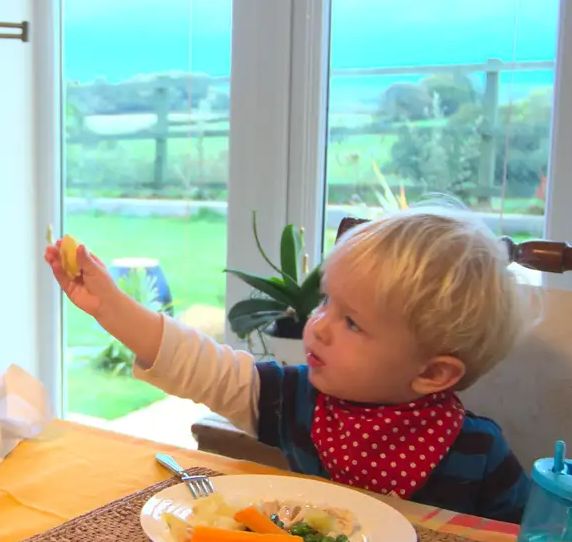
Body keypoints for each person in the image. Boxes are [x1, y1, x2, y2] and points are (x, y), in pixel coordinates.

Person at [45, 207, 533, 521]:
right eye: (326, 303)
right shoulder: (292, 399)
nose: (317, 327)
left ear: (432, 374)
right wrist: (108, 303)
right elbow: (195, 362)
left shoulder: (478, 452)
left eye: (352, 324)